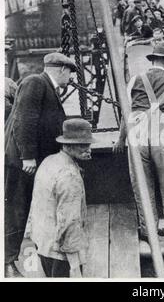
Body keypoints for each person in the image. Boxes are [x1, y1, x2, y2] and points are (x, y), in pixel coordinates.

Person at [114, 42, 164, 245]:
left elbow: (126, 112)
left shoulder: (135, 80)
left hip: (137, 135)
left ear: (153, 61)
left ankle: (147, 230)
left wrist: (121, 139)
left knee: (142, 185)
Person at [4, 52, 76, 277]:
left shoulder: (47, 87)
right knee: (16, 211)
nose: (71, 78)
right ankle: (7, 262)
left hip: (34, 163)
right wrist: (27, 156)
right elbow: (24, 119)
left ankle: (20, 257)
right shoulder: (35, 82)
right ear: (61, 69)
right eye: (70, 73)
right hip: (22, 163)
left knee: (26, 209)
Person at [29, 119, 97, 278]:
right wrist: (74, 265)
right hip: (60, 252)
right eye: (82, 145)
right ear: (68, 145)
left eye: (88, 145)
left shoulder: (49, 161)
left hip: (42, 242)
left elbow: (36, 203)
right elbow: (69, 222)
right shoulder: (70, 176)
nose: (89, 150)